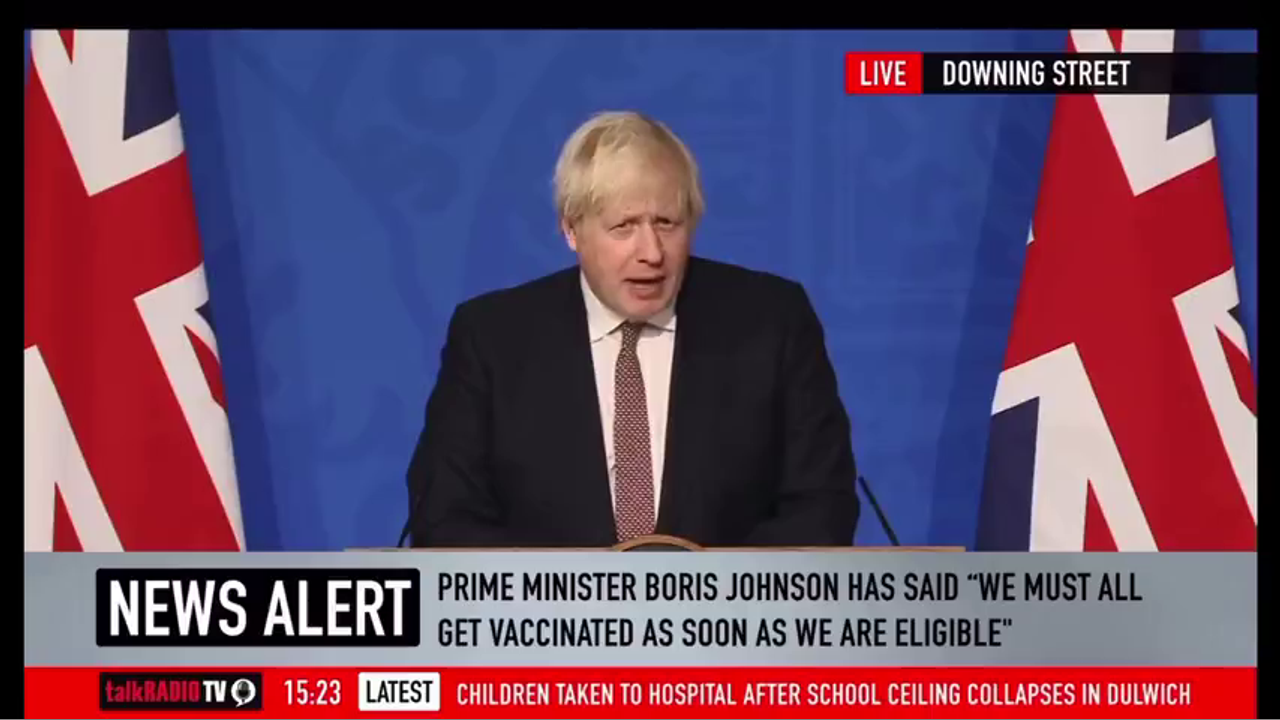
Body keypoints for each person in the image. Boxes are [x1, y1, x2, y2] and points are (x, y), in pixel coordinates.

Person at [405, 110, 859, 548]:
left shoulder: (771, 322)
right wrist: (579, 593)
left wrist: (708, 591)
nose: (652, 253)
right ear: (571, 230)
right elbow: (445, 517)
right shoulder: (493, 340)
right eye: (624, 227)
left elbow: (821, 507)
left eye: (667, 223)